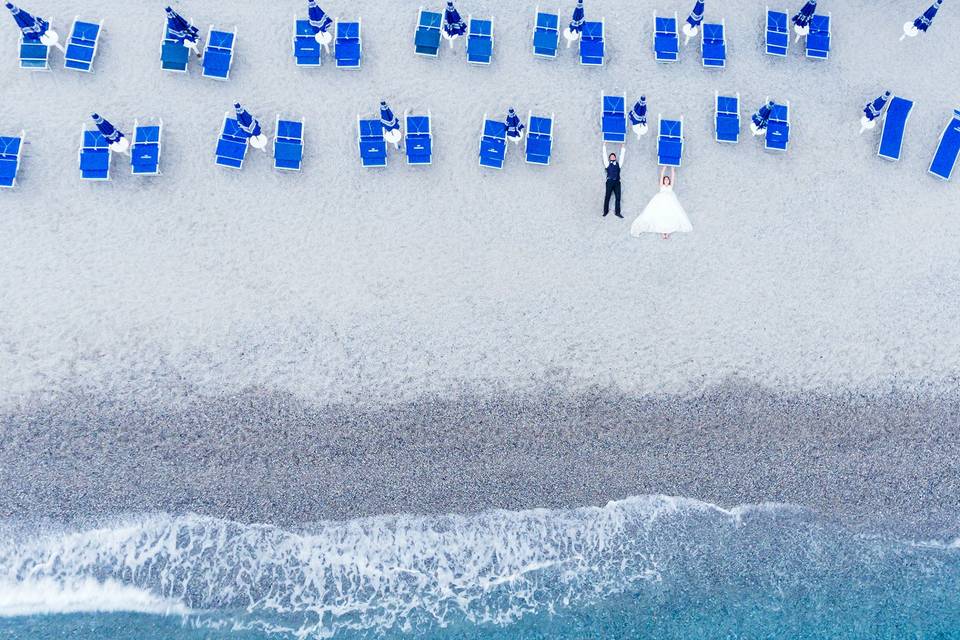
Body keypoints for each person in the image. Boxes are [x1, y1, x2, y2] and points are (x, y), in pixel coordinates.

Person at [630, 167, 692, 239]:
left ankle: (667, 231)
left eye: (667, 180)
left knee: (669, 215)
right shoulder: (661, 186)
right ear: (663, 181)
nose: (666, 180)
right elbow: (662, 174)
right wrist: (664, 168)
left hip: (670, 202)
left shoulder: (670, 186)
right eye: (665, 180)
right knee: (661, 215)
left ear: (669, 181)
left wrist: (672, 168)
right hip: (661, 201)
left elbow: (673, 176)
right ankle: (663, 232)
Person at [602, 143, 625, 218]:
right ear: (609, 158)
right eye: (611, 156)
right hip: (609, 182)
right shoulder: (607, 164)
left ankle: (617, 212)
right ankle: (605, 211)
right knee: (607, 196)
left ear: (615, 158)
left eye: (613, 156)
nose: (612, 156)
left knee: (618, 197)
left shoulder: (619, 164)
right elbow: (604, 156)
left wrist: (623, 147)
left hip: (617, 182)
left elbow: (622, 157)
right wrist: (604, 146)